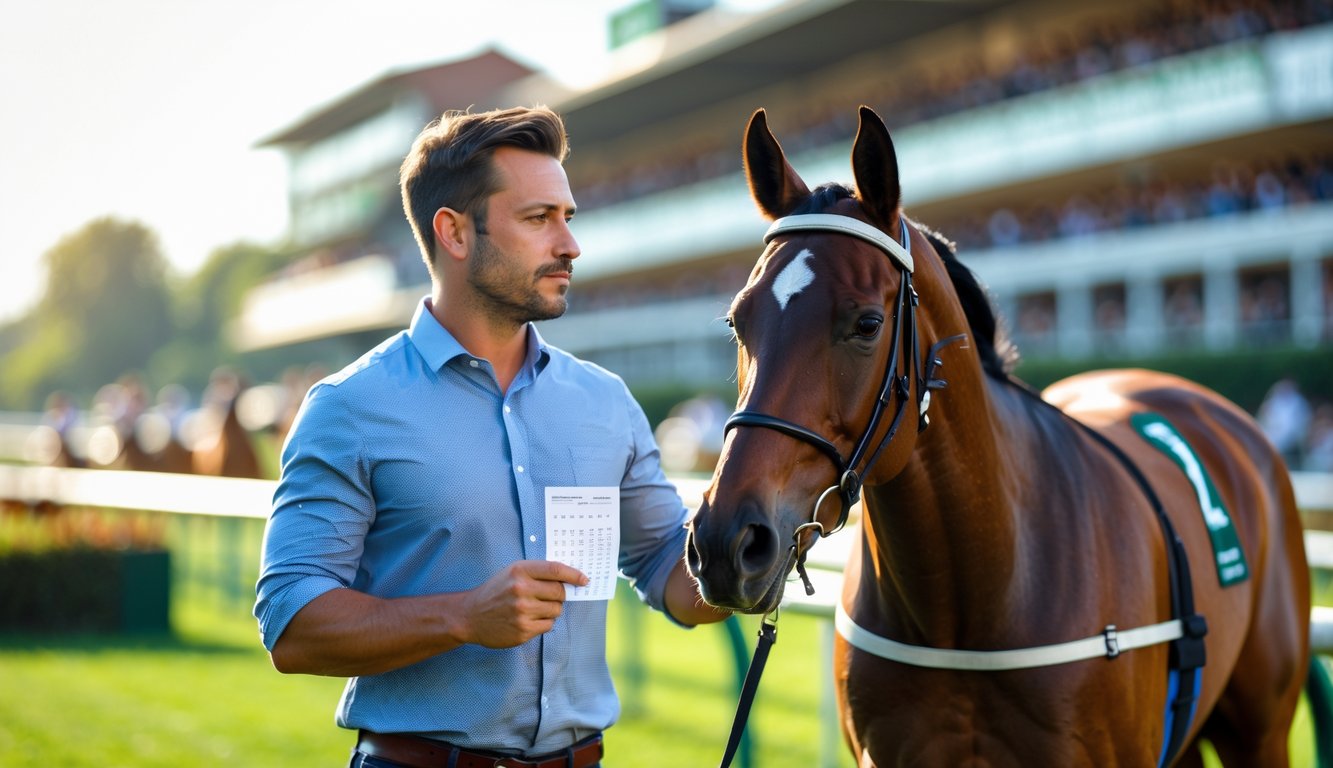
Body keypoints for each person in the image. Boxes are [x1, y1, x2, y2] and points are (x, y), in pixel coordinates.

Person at [254, 105, 729, 768]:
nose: (569, 245)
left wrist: (745, 550)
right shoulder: (348, 407)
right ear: (453, 232)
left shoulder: (605, 402)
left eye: (568, 217)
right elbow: (292, 626)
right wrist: (463, 618)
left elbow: (667, 573)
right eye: (538, 219)